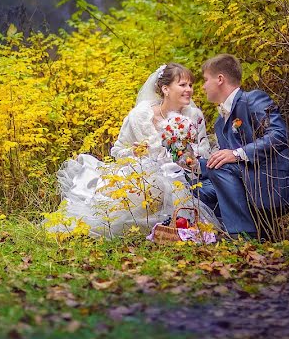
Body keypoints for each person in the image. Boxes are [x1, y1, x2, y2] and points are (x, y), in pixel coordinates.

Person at [46, 63, 218, 239]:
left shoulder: (194, 116)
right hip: (144, 174)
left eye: (190, 85)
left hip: (182, 174)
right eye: (182, 85)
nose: (189, 90)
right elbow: (118, 150)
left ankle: (170, 229)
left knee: (174, 188)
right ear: (166, 89)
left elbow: (203, 151)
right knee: (147, 188)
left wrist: (186, 154)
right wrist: (135, 153)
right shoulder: (140, 116)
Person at [196, 54, 289, 239]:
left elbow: (278, 136)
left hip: (270, 180)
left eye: (205, 80)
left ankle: (244, 235)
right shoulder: (219, 122)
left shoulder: (253, 99)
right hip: (245, 181)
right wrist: (194, 166)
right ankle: (257, 230)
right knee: (194, 187)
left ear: (220, 79)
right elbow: (227, 159)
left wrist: (237, 154)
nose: (203, 86)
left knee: (219, 168)